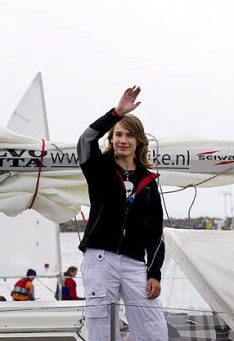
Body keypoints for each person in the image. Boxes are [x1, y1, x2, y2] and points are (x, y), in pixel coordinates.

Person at [77, 86, 167, 340]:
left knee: (153, 329)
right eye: (117, 134)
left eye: (129, 135)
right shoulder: (97, 168)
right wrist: (116, 112)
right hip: (100, 258)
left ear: (139, 141)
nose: (122, 140)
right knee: (101, 327)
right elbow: (85, 139)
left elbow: (156, 233)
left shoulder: (148, 181)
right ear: (111, 139)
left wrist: (154, 272)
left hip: (135, 263)